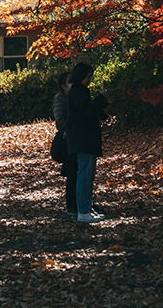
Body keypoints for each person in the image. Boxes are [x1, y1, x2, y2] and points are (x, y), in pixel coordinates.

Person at [66, 62, 109, 223]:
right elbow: (87, 110)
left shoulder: (78, 91)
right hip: (83, 139)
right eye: (88, 77)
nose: (89, 80)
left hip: (83, 138)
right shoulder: (77, 91)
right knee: (85, 174)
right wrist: (101, 98)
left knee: (87, 174)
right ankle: (83, 210)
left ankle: (85, 208)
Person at [52, 71, 77, 216]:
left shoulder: (73, 96)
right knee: (72, 172)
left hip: (74, 138)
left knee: (77, 172)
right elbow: (60, 121)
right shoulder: (61, 99)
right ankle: (72, 205)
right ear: (63, 86)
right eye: (69, 81)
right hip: (68, 140)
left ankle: (78, 203)